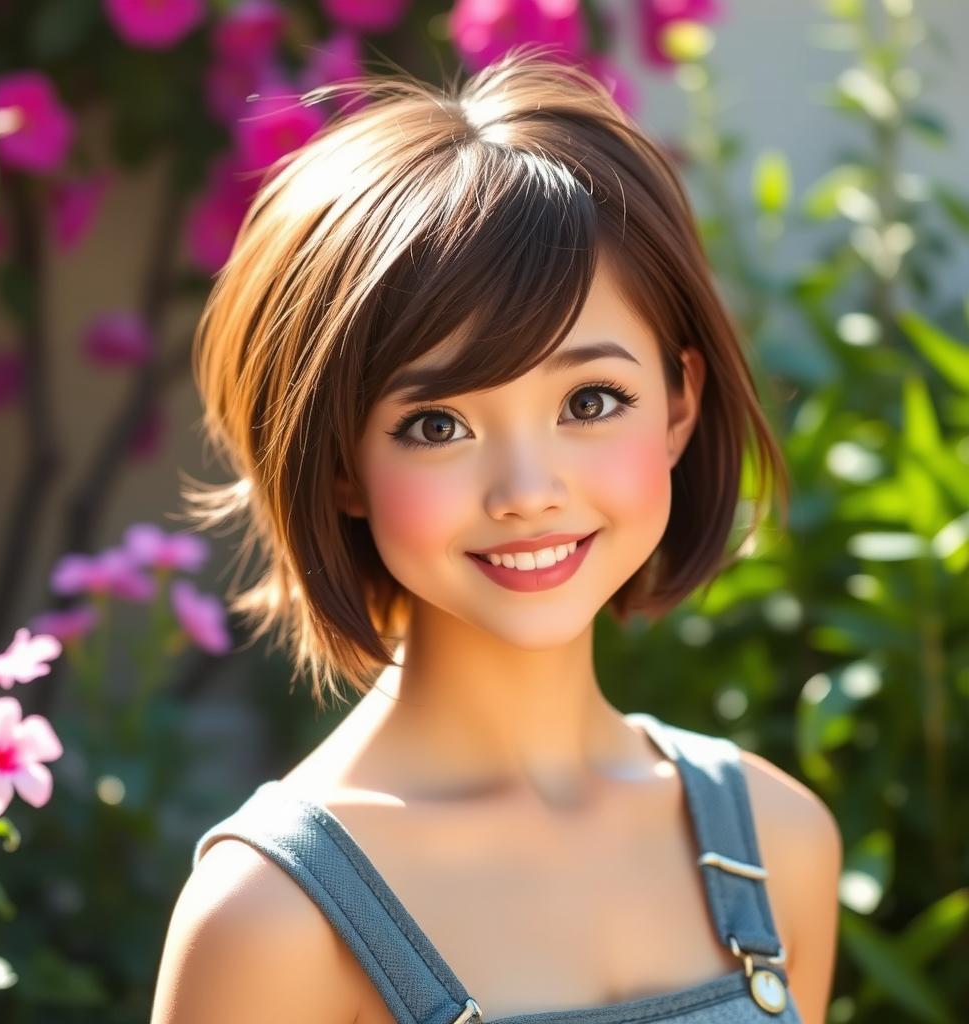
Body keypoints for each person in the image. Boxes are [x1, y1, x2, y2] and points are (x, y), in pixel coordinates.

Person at [150, 45, 841, 1024]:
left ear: (679, 403)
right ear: (338, 462)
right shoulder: (271, 918)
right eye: (438, 424)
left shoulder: (778, 842)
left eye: (590, 401)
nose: (526, 492)